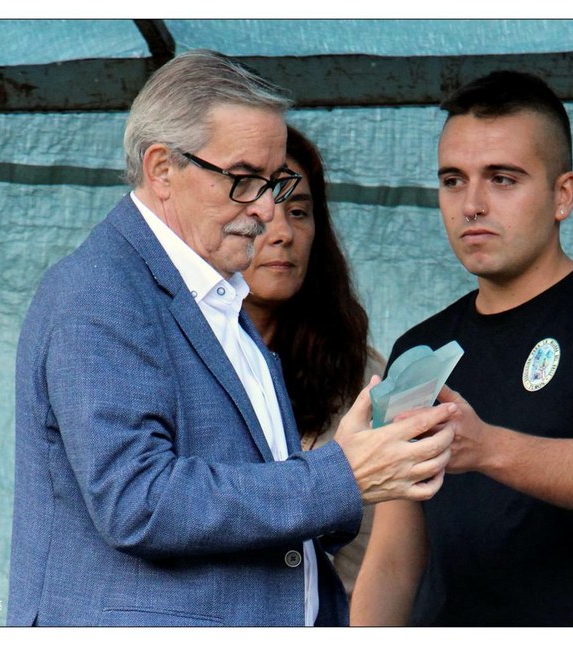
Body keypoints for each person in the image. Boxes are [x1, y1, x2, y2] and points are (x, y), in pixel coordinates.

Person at [7, 50, 456, 627]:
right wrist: (339, 476)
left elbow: (260, 499)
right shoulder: (100, 291)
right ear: (161, 168)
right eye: (244, 181)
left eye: (276, 182)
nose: (267, 210)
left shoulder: (215, 296)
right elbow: (138, 501)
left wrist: (352, 468)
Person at [351, 70, 573, 626]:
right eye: (453, 180)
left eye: (502, 179)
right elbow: (394, 559)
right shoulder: (420, 346)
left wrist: (485, 446)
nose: (472, 204)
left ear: (563, 195)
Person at [241, 126, 384, 598]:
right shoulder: (169, 356)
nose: (282, 233)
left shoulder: (361, 376)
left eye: (299, 212)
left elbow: (374, 559)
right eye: (260, 210)